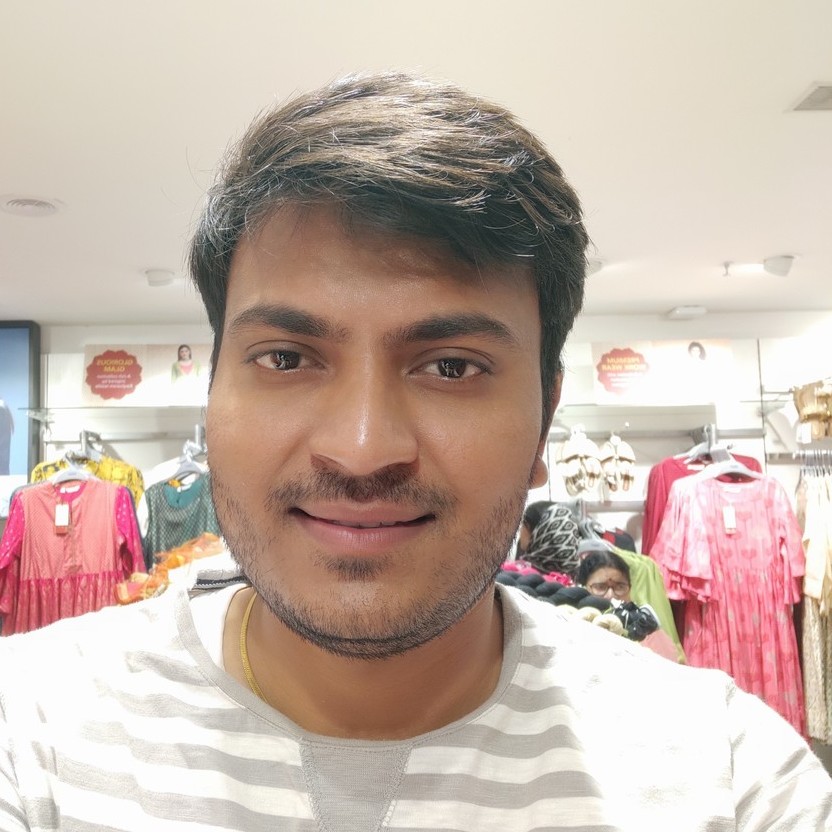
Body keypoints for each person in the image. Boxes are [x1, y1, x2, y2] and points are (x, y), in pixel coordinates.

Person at [0, 71, 829, 831]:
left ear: (545, 420)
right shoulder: (30, 735)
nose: (362, 451)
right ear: (211, 398)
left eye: (451, 367)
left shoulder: (731, 779)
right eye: (285, 358)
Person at [576, 546, 679, 662]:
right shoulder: (573, 624)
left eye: (620, 587)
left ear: (630, 588)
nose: (610, 595)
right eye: (600, 587)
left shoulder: (646, 627)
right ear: (583, 587)